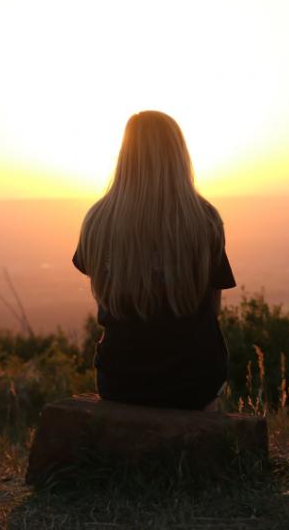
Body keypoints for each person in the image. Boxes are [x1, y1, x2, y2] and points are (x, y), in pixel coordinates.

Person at [72, 110, 236, 411]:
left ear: (124, 155)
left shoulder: (97, 220)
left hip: (120, 380)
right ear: (179, 156)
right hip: (193, 382)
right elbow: (213, 310)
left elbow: (103, 293)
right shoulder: (205, 220)